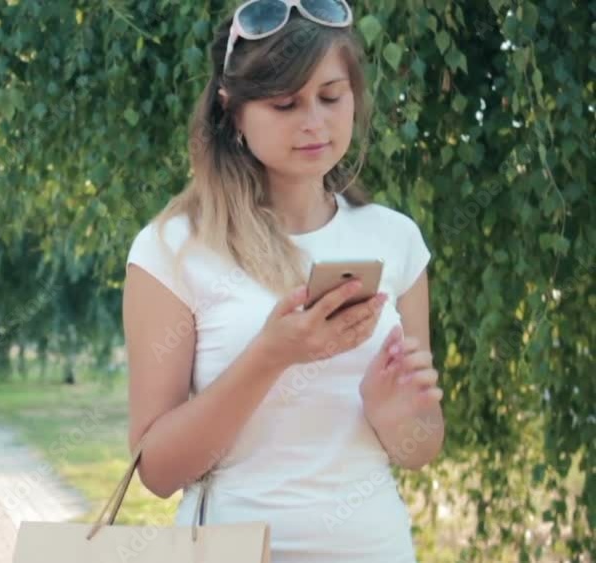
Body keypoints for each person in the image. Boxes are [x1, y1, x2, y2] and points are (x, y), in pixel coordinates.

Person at [123, 3, 443, 562]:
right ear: (233, 112)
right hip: (235, 550)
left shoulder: (396, 240)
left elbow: (421, 448)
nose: (314, 122)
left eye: (330, 95)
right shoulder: (173, 249)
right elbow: (155, 470)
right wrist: (270, 357)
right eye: (285, 103)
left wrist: (395, 414)